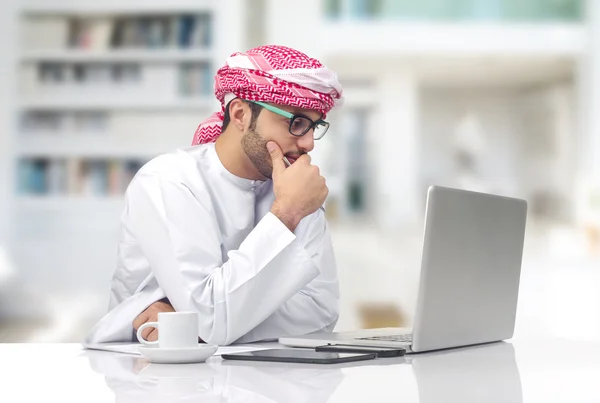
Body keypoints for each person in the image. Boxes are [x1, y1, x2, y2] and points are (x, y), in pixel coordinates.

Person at [84, 45, 344, 346]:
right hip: (151, 375)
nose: (309, 143)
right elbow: (211, 319)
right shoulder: (169, 180)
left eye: (315, 126)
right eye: (296, 122)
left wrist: (187, 322)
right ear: (240, 114)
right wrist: (286, 215)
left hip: (258, 379)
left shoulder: (296, 190)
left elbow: (321, 312)